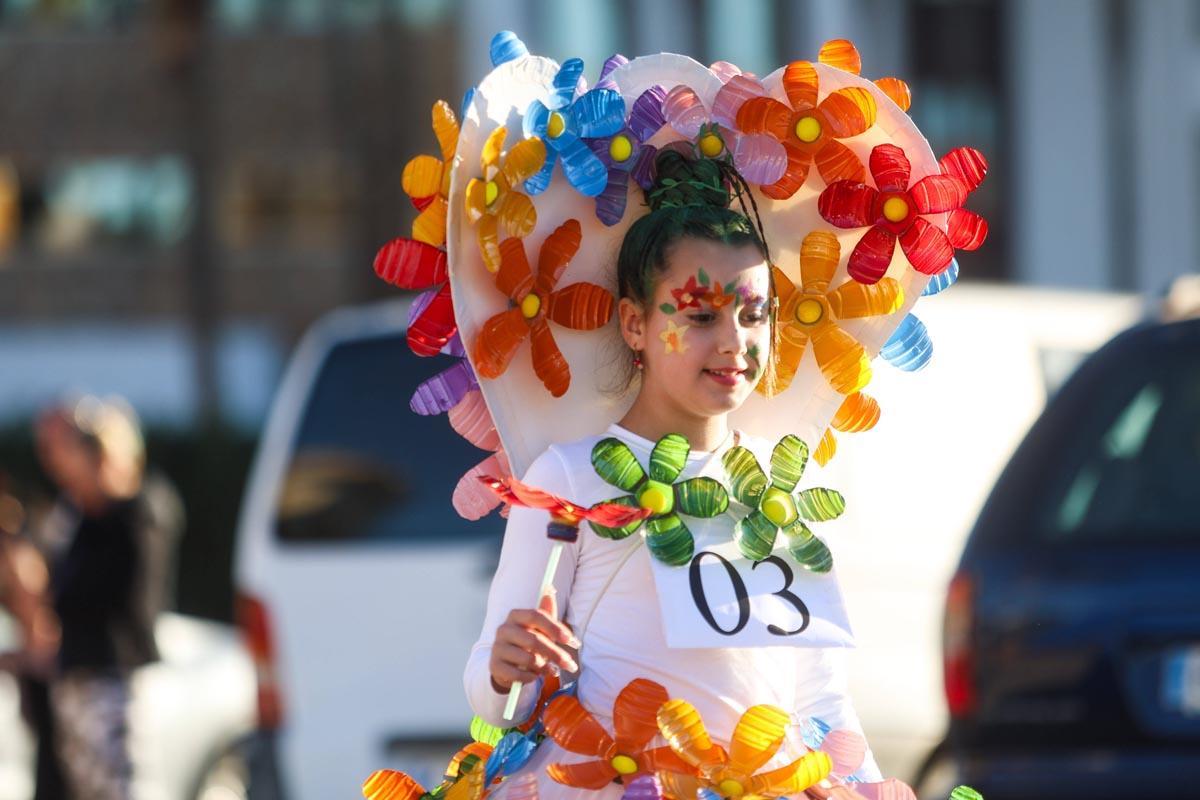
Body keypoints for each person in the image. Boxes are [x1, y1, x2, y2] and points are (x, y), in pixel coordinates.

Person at [463, 151, 882, 800]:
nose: (735, 344)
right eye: (701, 316)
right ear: (636, 324)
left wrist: (860, 785)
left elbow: (820, 693)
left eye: (753, 314)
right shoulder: (569, 480)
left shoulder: (781, 481)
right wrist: (502, 667)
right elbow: (500, 698)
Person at [33, 395, 177, 800]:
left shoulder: (139, 513)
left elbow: (124, 598)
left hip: (115, 676)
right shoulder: (75, 518)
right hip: (75, 676)